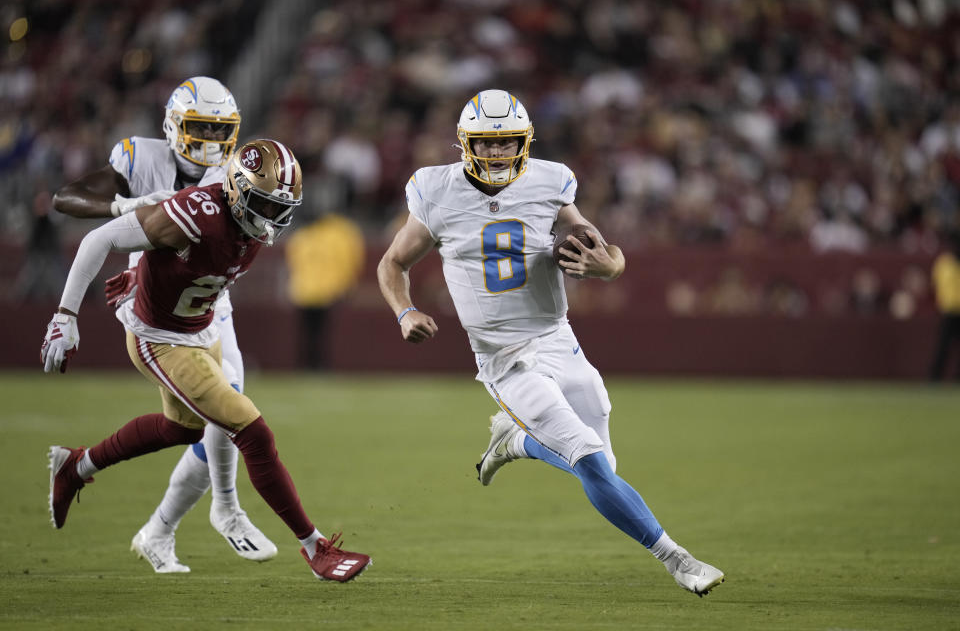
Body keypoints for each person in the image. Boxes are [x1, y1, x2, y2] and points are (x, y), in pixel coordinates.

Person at [377, 90, 724, 596]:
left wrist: (613, 264)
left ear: (525, 143)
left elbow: (595, 240)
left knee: (604, 464)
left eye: (507, 143)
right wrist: (405, 311)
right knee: (588, 460)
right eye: (485, 144)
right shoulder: (436, 190)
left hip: (559, 338)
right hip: (504, 358)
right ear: (463, 144)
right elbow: (393, 263)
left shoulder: (549, 179)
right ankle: (677, 559)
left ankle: (516, 441)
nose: (496, 154)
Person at [42, 139, 371, 582]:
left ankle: (76, 466)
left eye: (280, 207)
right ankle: (315, 548)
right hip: (160, 337)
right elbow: (100, 238)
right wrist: (65, 315)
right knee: (251, 429)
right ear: (236, 191)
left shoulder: (241, 206)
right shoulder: (196, 213)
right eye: (262, 205)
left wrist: (144, 274)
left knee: (183, 428)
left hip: (202, 327)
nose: (270, 218)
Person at [51, 77, 276, 573]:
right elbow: (65, 199)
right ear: (175, 125)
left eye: (222, 131)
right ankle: (219, 510)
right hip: (157, 302)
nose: (213, 143)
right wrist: (121, 206)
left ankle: (169, 525)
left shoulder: (236, 169)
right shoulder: (139, 156)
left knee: (215, 414)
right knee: (219, 412)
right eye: (200, 128)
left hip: (213, 299)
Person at [284, 208, 365, 370]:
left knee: (309, 332)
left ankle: (307, 364)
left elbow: (293, 262)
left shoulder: (302, 237)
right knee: (320, 332)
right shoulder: (337, 234)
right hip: (324, 291)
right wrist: (345, 283)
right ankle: (317, 365)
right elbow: (349, 259)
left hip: (304, 290)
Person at [929, 230, 960, 380]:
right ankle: (935, 377)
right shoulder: (944, 262)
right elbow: (936, 285)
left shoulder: (945, 262)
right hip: (948, 310)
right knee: (943, 346)